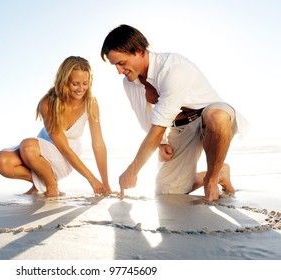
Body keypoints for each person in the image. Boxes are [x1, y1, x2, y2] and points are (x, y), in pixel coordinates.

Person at [100, 24, 249, 202]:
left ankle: (212, 178)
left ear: (139, 51)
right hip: (180, 127)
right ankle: (222, 172)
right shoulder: (129, 82)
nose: (118, 71)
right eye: (114, 65)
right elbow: (143, 116)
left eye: (121, 63)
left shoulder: (173, 68)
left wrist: (132, 171)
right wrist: (161, 144)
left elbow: (158, 128)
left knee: (215, 117)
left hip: (209, 118)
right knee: (166, 191)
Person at [0, 56, 112, 197]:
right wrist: (91, 179)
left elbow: (98, 145)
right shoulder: (47, 103)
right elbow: (62, 146)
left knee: (28, 146)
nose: (81, 89)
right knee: (1, 161)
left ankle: (51, 187)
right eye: (75, 84)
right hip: (37, 151)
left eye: (85, 83)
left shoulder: (91, 103)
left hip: (65, 157)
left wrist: (105, 184)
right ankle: (44, 183)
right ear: (64, 82)